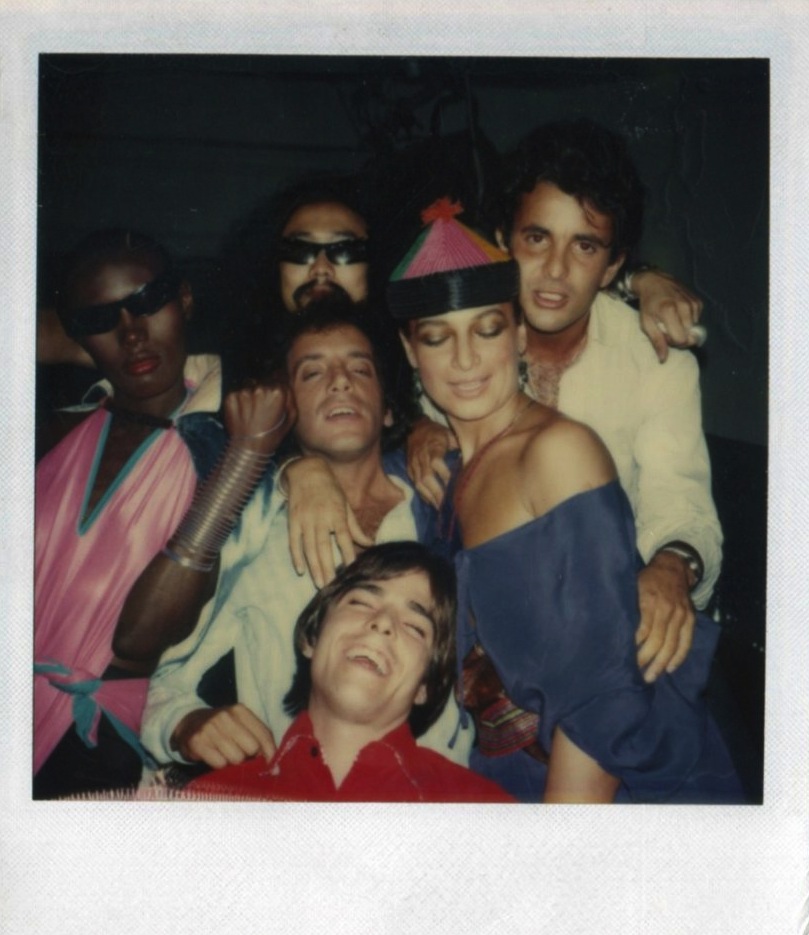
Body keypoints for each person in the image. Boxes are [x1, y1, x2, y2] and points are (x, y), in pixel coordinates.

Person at [386, 198, 743, 804]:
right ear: (409, 351)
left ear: (520, 335)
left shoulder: (557, 453)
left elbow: (607, 695)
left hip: (602, 788)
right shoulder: (447, 467)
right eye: (438, 338)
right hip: (503, 774)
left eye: (488, 330)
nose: (465, 360)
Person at [405, 121, 722, 683]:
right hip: (482, 639)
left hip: (616, 631)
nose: (555, 270)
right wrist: (414, 424)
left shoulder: (656, 361)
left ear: (613, 266)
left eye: (585, 246)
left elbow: (679, 498)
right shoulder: (463, 330)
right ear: (503, 241)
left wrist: (672, 567)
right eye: (537, 239)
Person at [128, 299, 471, 779]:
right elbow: (154, 678)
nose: (340, 382)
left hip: (437, 797)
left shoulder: (442, 498)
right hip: (298, 796)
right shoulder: (255, 524)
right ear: (288, 413)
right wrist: (185, 723)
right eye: (313, 373)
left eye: (360, 369)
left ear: (389, 411)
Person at [32, 229, 256, 799]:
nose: (131, 334)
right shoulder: (53, 432)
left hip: (106, 746)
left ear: (184, 299)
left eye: (148, 301)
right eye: (100, 318)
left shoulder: (231, 442)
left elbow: (140, 641)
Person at [184, 543, 514, 802]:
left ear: (424, 686)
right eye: (360, 602)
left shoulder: (479, 810)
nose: (382, 622)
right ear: (311, 638)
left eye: (415, 626)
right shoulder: (213, 801)